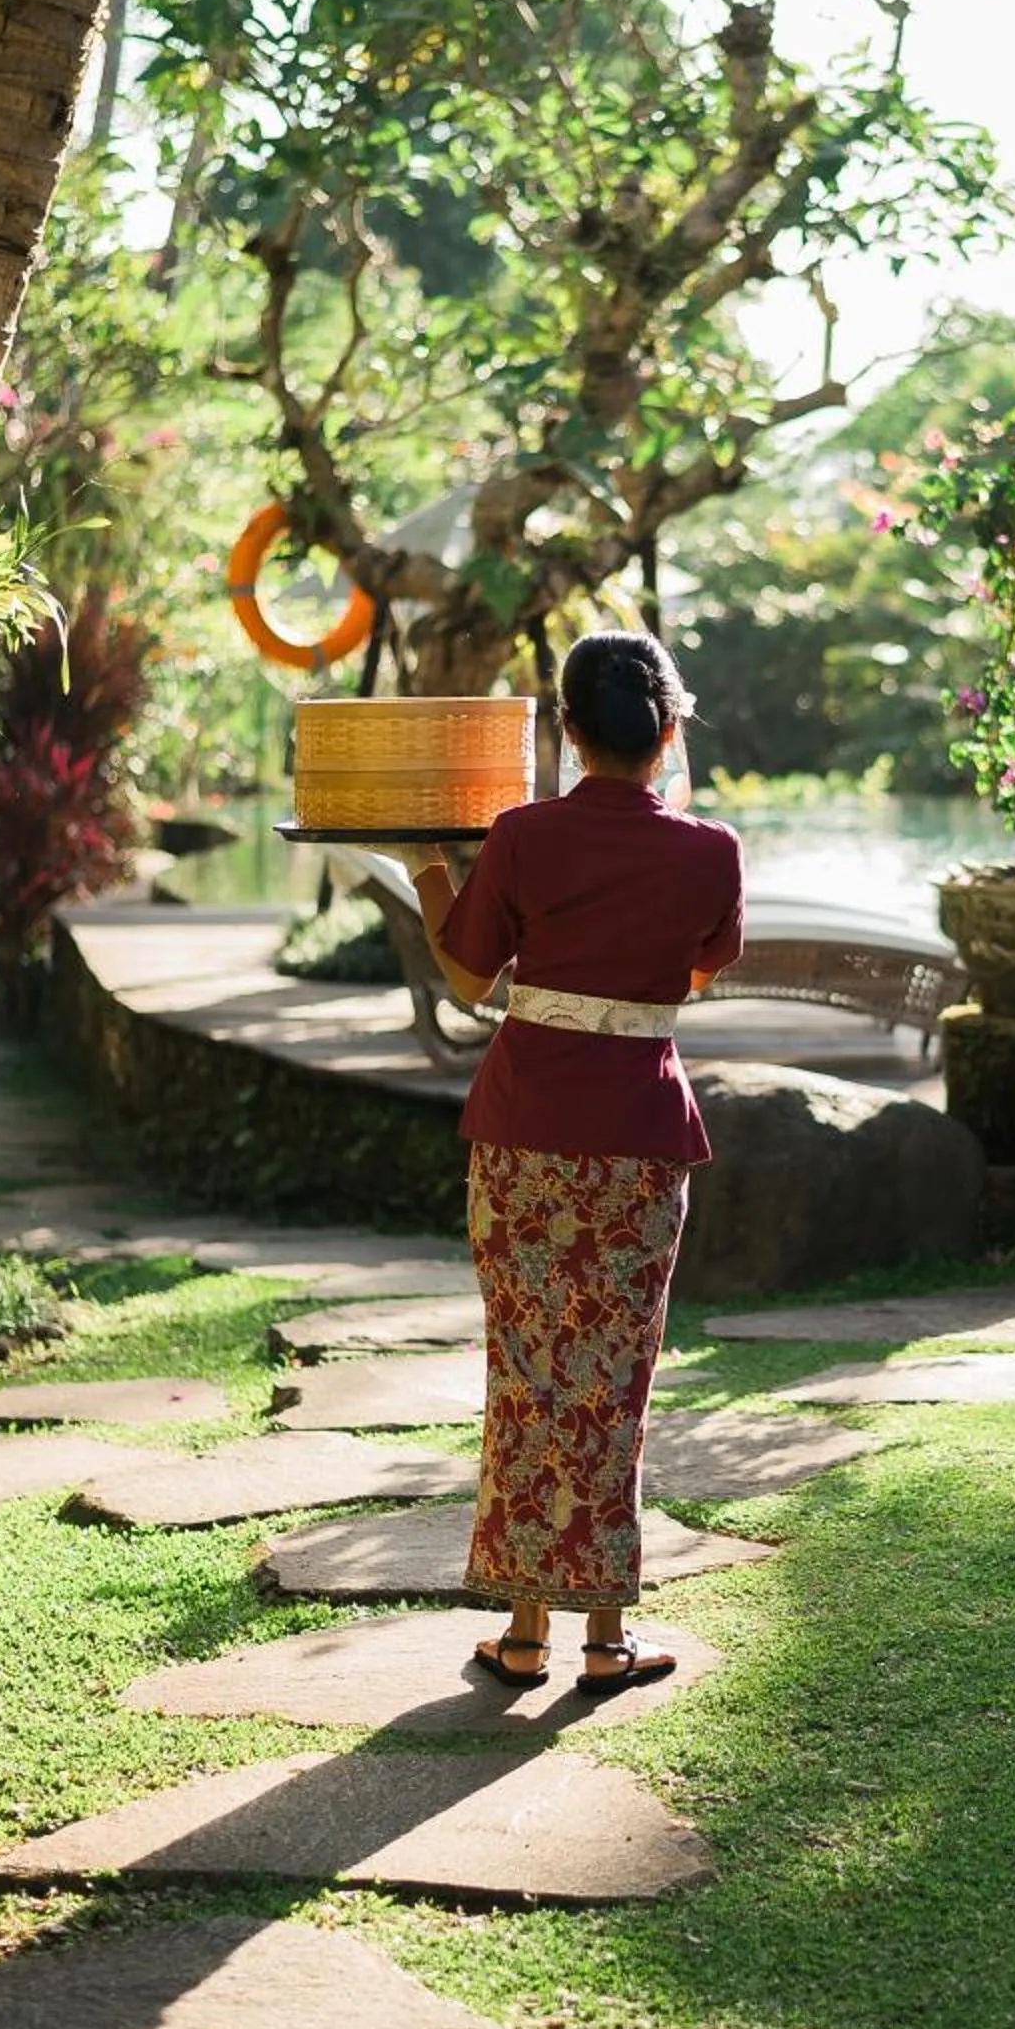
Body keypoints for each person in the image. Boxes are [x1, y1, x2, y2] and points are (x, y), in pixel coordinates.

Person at [401, 631, 743, 1696]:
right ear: (669, 730)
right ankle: (605, 1640)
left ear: (568, 730)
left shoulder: (521, 836)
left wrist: (426, 869)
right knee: (614, 1383)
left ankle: (523, 1635)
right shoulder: (711, 851)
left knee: (528, 1375)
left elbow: (469, 981)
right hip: (639, 1141)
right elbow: (700, 972)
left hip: (524, 1139)